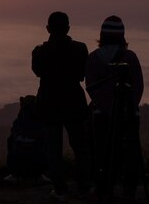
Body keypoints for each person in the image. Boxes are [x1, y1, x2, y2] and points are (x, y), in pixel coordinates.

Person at [32, 11, 91, 201]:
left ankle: (60, 189)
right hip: (74, 101)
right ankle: (84, 187)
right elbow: (83, 73)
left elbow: (38, 71)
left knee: (53, 149)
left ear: (48, 28)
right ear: (68, 29)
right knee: (80, 147)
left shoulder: (39, 52)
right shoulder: (80, 49)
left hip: (49, 102)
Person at [85, 15, 144, 201]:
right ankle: (129, 188)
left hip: (101, 115)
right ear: (122, 36)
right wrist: (128, 106)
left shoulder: (94, 58)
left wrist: (106, 107)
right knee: (130, 151)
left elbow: (91, 87)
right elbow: (138, 86)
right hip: (128, 114)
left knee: (101, 152)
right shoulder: (130, 57)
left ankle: (103, 187)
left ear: (102, 35)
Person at [5, 95, 48, 183]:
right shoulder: (40, 121)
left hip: (18, 167)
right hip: (37, 167)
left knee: (10, 140)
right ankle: (39, 175)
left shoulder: (19, 122)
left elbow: (13, 137)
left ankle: (14, 174)